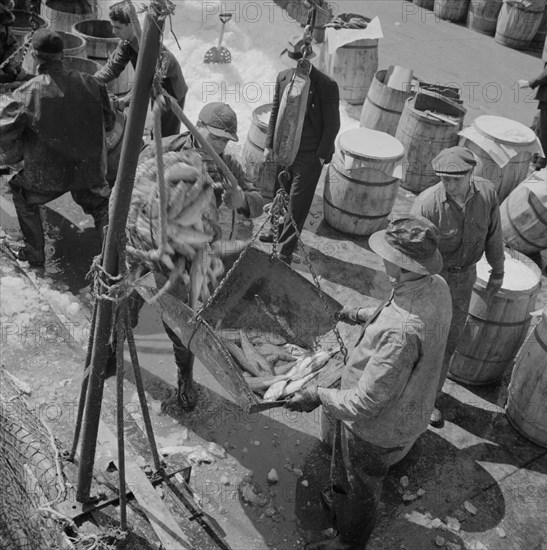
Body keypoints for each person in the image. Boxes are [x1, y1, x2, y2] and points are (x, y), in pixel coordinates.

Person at [285, 215, 452, 550]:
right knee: (351, 476)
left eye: (389, 258)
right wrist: (360, 314)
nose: (383, 261)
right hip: (414, 403)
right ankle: (341, 502)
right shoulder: (436, 286)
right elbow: (397, 310)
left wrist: (318, 394)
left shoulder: (400, 332)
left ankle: (349, 541)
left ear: (404, 266)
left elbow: (366, 403)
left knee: (362, 486)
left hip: (378, 429)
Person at [111, 102, 263, 412]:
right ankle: (111, 352)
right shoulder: (162, 147)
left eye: (224, 141)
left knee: (181, 320)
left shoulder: (226, 165)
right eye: (213, 137)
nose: (217, 145)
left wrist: (243, 200)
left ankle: (185, 377)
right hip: (146, 241)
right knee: (125, 303)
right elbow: (128, 185)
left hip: (189, 251)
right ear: (196, 127)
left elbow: (257, 200)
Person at [0, 29, 115, 267]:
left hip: (46, 176)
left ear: (34, 55)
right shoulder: (92, 83)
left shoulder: (27, 92)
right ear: (62, 55)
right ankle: (111, 263)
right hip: (90, 170)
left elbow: (3, 132)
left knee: (20, 191)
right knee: (103, 206)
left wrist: (16, 155)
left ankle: (35, 254)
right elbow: (110, 122)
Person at [411, 146, 504, 427]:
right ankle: (404, 393)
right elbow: (408, 253)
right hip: (431, 281)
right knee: (418, 338)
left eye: (456, 179)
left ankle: (429, 399)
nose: (450, 185)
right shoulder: (426, 204)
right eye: (444, 179)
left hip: (464, 281)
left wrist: (497, 272)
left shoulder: (487, 194)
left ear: (471, 174)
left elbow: (494, 235)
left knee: (448, 342)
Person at [260, 35, 340, 262]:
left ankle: (285, 249)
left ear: (306, 61)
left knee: (298, 203)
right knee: (279, 194)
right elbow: (276, 112)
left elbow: (333, 124)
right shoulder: (283, 78)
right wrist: (268, 146)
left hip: (309, 154)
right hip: (283, 150)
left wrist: (320, 157)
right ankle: (274, 231)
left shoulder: (326, 85)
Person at [94, 4, 187, 137]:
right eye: (112, 26)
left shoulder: (148, 46)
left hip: (171, 89)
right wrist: (92, 80)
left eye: (118, 27)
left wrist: (125, 100)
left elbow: (145, 84)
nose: (114, 32)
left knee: (166, 134)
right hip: (154, 88)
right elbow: (112, 68)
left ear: (131, 25)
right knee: (157, 127)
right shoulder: (126, 44)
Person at [518, 26, 547, 170]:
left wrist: (531, 83)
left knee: (546, 131)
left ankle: (539, 164)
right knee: (538, 124)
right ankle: (531, 155)